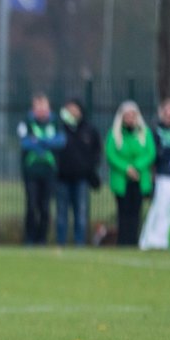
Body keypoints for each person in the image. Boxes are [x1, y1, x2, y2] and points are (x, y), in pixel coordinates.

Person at [17, 93, 65, 246]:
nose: (41, 110)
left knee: (45, 207)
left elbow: (60, 141)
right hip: (31, 172)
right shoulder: (26, 123)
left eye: (44, 107)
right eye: (38, 107)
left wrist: (40, 141)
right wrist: (46, 144)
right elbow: (25, 143)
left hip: (49, 172)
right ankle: (29, 239)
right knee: (31, 206)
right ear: (33, 108)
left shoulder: (55, 122)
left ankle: (41, 239)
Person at [105, 101, 155, 247]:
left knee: (135, 213)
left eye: (132, 115)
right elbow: (110, 154)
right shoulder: (114, 133)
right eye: (126, 115)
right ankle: (123, 242)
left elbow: (150, 153)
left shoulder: (145, 133)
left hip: (139, 179)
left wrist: (137, 167)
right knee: (123, 213)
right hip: (122, 179)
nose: (130, 118)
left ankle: (133, 242)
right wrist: (127, 168)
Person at [55, 97, 101, 246]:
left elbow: (96, 152)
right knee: (61, 214)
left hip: (81, 179)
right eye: (69, 109)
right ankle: (61, 242)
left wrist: (89, 169)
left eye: (75, 109)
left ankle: (79, 242)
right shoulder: (59, 128)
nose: (72, 112)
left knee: (81, 214)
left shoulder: (89, 130)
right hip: (62, 178)